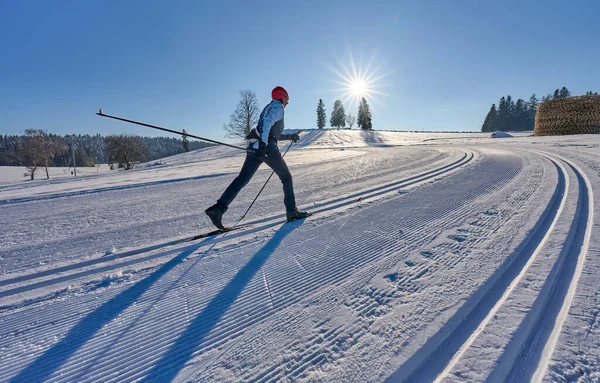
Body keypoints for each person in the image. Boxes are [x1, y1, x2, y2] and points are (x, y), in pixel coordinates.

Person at [205, 86, 310, 229]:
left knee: (241, 179)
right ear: (283, 96)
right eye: (287, 99)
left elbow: (270, 132)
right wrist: (263, 144)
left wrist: (289, 137)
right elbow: (267, 126)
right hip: (265, 147)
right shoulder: (278, 107)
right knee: (286, 177)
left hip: (255, 147)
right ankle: (292, 212)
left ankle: (218, 209)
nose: (287, 102)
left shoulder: (268, 107)